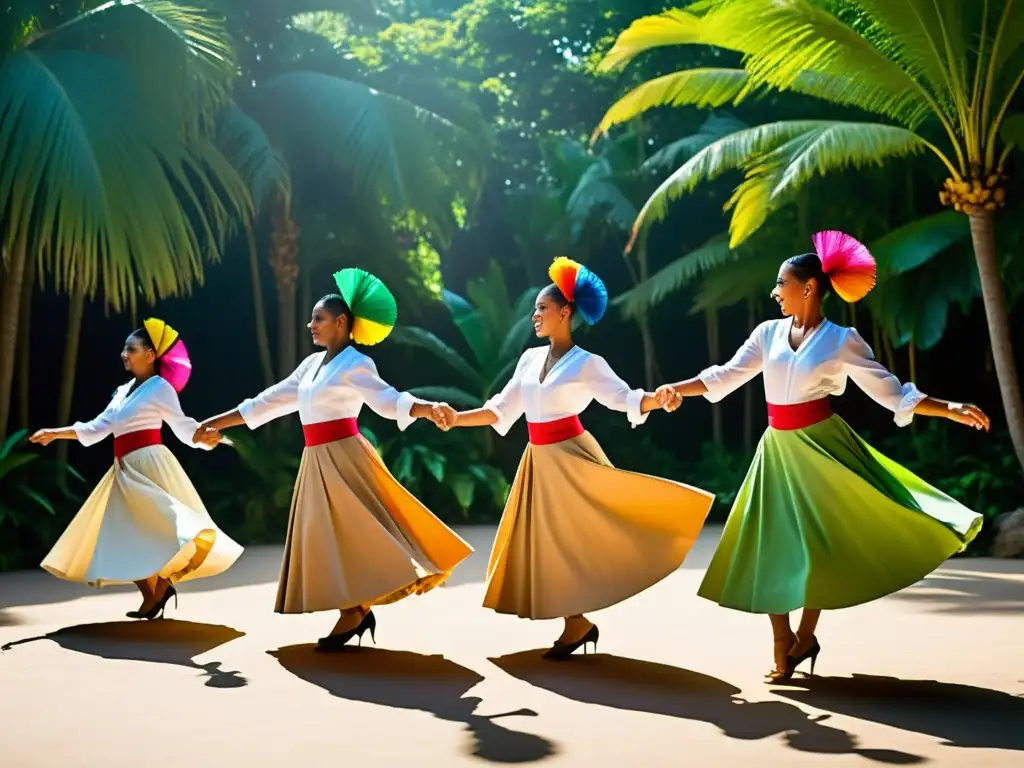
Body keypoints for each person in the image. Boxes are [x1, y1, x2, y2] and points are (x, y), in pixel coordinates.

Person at [654, 230, 989, 682]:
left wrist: (948, 408)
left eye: (781, 284)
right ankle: (780, 641)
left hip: (823, 447)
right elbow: (725, 376)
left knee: (818, 546)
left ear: (808, 288)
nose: (774, 293)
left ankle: (805, 636)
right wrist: (679, 388)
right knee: (770, 544)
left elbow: (890, 392)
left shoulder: (840, 340)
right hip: (778, 449)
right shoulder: (767, 333)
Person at [431, 257, 715, 659]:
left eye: (542, 309)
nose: (534, 315)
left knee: (577, 538)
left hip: (572, 457)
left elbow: (625, 399)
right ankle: (577, 623)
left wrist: (660, 398)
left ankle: (577, 621)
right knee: (546, 543)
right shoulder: (529, 359)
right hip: (538, 461)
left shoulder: (587, 364)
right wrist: (457, 418)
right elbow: (500, 409)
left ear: (565, 313)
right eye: (535, 310)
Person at [197, 268, 473, 651]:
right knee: (326, 537)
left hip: (346, 456)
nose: (311, 325)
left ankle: (354, 610)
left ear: (341, 323)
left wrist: (426, 408)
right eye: (312, 319)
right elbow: (267, 402)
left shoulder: (355, 364)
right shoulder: (311, 366)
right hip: (316, 460)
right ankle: (355, 609)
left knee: (358, 532)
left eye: (319, 319)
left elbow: (388, 399)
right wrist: (213, 422)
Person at [31, 318, 242, 620]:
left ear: (150, 355)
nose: (124, 355)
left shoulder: (160, 388)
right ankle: (153, 593)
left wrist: (203, 437)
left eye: (131, 349)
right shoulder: (122, 391)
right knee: (121, 535)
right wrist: (55, 432)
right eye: (124, 349)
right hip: (123, 468)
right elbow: (96, 428)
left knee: (154, 531)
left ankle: (159, 588)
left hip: (149, 465)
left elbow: (183, 427)